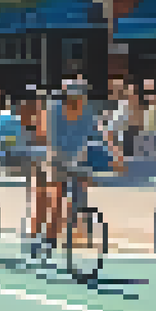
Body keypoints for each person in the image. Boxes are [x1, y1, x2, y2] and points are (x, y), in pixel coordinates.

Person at [35, 79, 114, 253]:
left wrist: (112, 154)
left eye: (82, 97)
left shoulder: (87, 113)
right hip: (57, 158)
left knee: (79, 195)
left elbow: (96, 135)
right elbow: (52, 139)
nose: (80, 100)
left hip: (78, 158)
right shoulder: (54, 110)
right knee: (57, 199)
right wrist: (63, 160)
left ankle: (75, 226)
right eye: (76, 97)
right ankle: (49, 239)